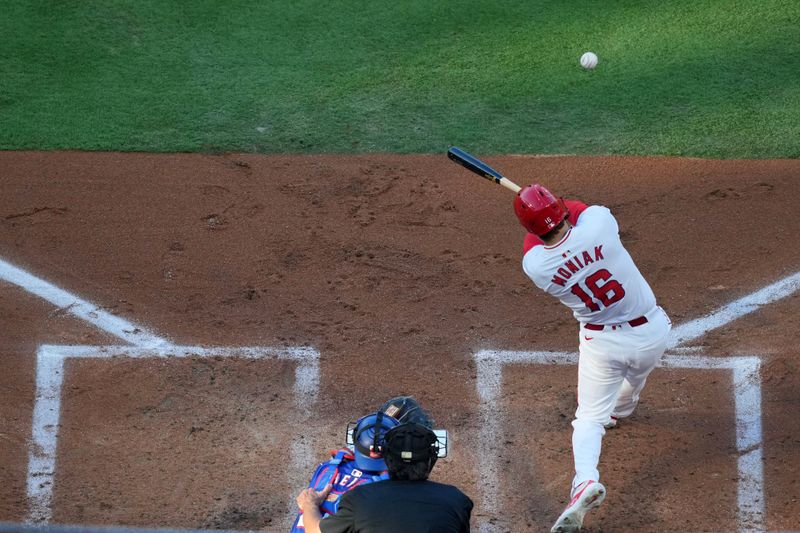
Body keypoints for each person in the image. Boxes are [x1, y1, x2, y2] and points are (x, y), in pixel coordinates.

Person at [513, 184, 672, 533]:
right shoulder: (600, 223)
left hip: (602, 343)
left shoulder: (536, 265)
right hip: (652, 333)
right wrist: (547, 201)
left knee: (588, 419)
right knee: (634, 380)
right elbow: (577, 207)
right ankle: (622, 409)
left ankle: (584, 481)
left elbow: (538, 236)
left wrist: (537, 212)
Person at [295, 412, 473, 533]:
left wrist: (310, 505)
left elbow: (316, 530)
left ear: (387, 459)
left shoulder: (359, 499)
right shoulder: (457, 500)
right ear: (430, 460)